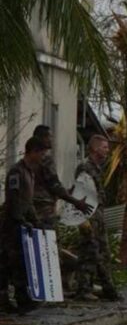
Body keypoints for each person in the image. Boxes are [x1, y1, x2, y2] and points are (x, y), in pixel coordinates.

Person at [0, 137, 50, 314]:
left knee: (16, 262)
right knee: (12, 263)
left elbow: (28, 203)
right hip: (11, 225)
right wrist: (21, 221)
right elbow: (13, 201)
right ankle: (18, 299)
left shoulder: (30, 172)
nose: (43, 157)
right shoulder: (17, 172)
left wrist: (36, 222)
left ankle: (18, 299)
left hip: (22, 224)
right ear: (34, 151)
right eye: (42, 153)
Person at [74, 135, 120, 301]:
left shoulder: (98, 168)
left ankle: (108, 289)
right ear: (94, 148)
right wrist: (83, 219)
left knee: (103, 253)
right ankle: (83, 289)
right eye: (104, 147)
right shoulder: (85, 168)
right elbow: (79, 194)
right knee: (89, 252)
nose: (107, 151)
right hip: (89, 216)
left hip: (98, 216)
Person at [32, 125, 92, 227]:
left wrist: (67, 192)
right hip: (44, 211)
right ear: (43, 138)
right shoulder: (45, 159)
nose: (52, 139)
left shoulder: (30, 157)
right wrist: (76, 202)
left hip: (32, 209)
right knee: (47, 241)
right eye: (50, 136)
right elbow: (55, 186)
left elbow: (46, 186)